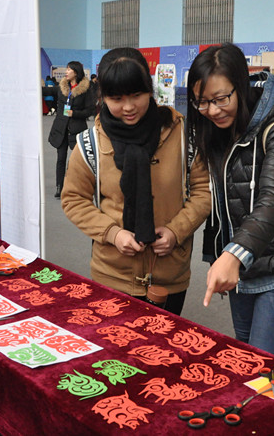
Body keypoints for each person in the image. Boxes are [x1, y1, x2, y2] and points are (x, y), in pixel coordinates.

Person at [187, 43, 274, 357]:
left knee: (262, 360)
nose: (213, 110)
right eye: (202, 102)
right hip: (243, 263)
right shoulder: (214, 129)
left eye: (221, 98)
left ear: (241, 85)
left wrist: (232, 255)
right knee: (245, 355)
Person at [61, 48, 210, 316]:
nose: (128, 107)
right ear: (102, 96)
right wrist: (112, 233)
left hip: (169, 273)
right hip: (112, 272)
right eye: (116, 98)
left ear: (150, 90)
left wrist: (176, 231)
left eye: (137, 95)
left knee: (164, 341)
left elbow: (203, 191)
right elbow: (74, 199)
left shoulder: (182, 134)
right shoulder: (90, 143)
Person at [46, 61, 95, 198]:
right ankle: (59, 187)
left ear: (76, 72)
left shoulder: (85, 89)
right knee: (60, 159)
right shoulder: (62, 87)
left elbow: (90, 110)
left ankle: (75, 187)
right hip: (61, 129)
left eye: (69, 69)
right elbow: (48, 91)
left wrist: (75, 113)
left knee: (76, 161)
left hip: (77, 129)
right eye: (66, 69)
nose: (66, 72)